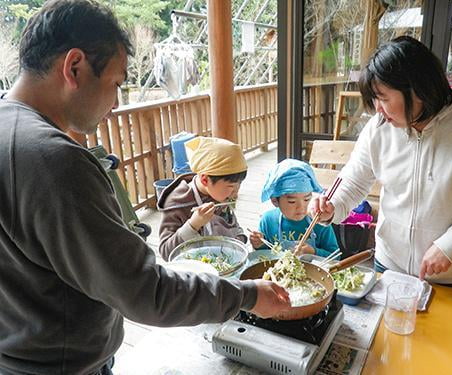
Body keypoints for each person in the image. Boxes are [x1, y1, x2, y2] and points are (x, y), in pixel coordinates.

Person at [0, 1, 290, 374]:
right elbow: (146, 292)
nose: (117, 101)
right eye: (117, 83)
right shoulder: (54, 162)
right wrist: (247, 295)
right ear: (74, 67)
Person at [311, 36, 452, 290]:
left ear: (418, 89)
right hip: (388, 267)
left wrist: (451, 245)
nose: (378, 109)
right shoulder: (379, 128)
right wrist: (331, 206)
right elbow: (354, 180)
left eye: (384, 99)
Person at [157, 136, 248, 260]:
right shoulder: (177, 202)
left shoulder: (221, 195)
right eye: (231, 186)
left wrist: (240, 238)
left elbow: (232, 226)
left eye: (239, 185)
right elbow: (166, 252)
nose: (235, 194)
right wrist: (194, 224)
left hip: (226, 262)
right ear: (205, 179)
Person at [249, 159, 339, 256]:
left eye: (307, 199)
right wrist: (258, 244)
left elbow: (335, 256)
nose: (301, 207)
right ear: (275, 201)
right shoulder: (268, 220)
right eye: (292, 201)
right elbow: (264, 254)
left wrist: (314, 252)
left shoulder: (320, 221)